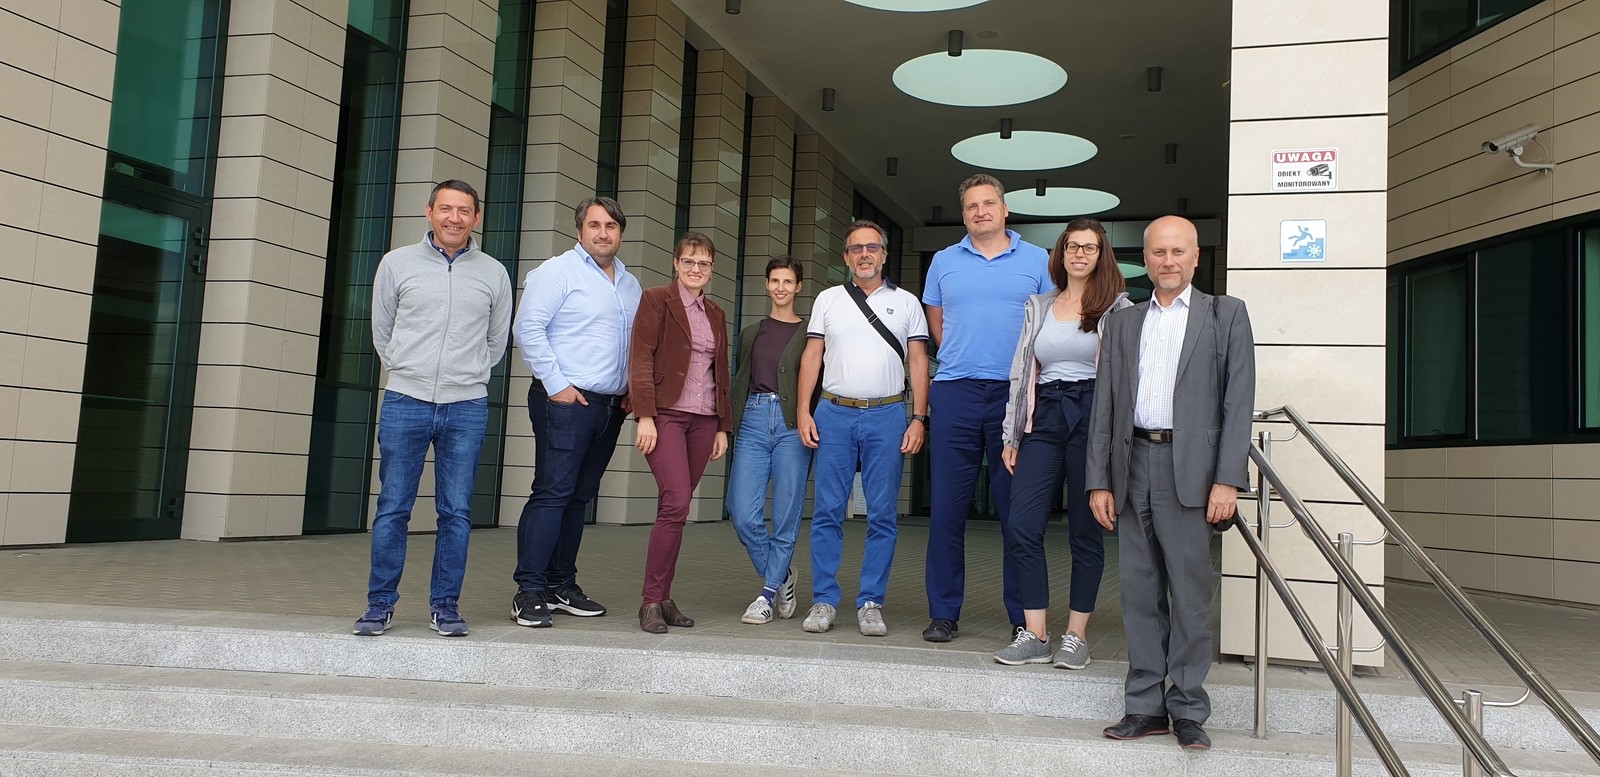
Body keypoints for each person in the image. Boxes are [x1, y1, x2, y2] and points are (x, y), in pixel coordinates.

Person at [1087, 215, 1255, 750]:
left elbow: (1238, 402)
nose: (1168, 261)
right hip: (1133, 464)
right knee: (1139, 593)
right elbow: (1105, 407)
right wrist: (1098, 481)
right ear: (1146, 259)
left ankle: (1187, 707)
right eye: (1158, 252)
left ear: (1196, 257)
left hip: (1193, 472)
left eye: (1178, 251)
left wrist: (1227, 480)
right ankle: (1144, 706)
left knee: (1189, 594)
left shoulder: (1225, 314)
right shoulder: (1123, 323)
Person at [354, 179, 513, 638]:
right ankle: (379, 605)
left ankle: (445, 606)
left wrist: (468, 374)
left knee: (456, 512)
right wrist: (408, 369)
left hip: (466, 406)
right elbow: (383, 330)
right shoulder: (396, 263)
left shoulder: (493, 273)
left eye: (464, 211)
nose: (454, 218)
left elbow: (496, 341)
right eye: (445, 208)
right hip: (406, 400)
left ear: (476, 218)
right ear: (429, 212)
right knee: (392, 508)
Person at [992, 219, 1130, 667]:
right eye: (1072, 246)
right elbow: (1020, 372)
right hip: (1044, 416)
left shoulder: (1118, 308)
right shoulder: (1040, 305)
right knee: (1022, 525)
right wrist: (1012, 433)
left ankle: (1076, 635)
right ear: (1061, 253)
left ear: (1101, 255)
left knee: (1085, 532)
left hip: (1094, 418)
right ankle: (1035, 634)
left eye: (1089, 247)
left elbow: (1126, 379)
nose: (1080, 254)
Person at [920, 174, 1051, 644]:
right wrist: (964, 355)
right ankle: (943, 613)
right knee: (946, 510)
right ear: (964, 214)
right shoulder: (943, 261)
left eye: (989, 203)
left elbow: (1051, 321)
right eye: (972, 205)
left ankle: (1023, 615)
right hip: (954, 391)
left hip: (1015, 394)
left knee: (1017, 512)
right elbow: (937, 322)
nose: (981, 211)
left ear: (1005, 209)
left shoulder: (1038, 260)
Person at [509, 196, 642, 628]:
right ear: (579, 230)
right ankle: (529, 591)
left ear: (621, 233)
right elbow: (527, 328)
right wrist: (557, 385)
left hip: (609, 407)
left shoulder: (630, 285)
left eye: (611, 226)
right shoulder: (557, 271)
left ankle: (560, 585)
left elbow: (634, 345)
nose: (603, 233)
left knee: (579, 497)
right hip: (566, 401)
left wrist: (632, 390)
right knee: (553, 493)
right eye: (595, 225)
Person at [797, 220, 930, 637]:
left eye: (872, 247)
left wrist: (919, 417)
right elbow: (812, 356)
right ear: (846, 257)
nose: (865, 254)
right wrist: (803, 410)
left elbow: (919, 361)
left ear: (884, 255)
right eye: (856, 248)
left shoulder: (907, 302)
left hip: (887, 415)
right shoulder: (828, 299)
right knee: (827, 511)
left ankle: (871, 602)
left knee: (883, 514)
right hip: (833, 412)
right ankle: (824, 599)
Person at [628, 233, 733, 634]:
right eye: (688, 261)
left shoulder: (716, 313)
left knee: (677, 508)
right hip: (667, 416)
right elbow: (641, 357)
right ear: (676, 263)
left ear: (712, 269)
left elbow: (721, 372)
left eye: (703, 263)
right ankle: (651, 601)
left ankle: (665, 597)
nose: (695, 269)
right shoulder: (657, 300)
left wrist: (723, 425)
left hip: (704, 421)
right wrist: (645, 415)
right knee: (676, 502)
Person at [727, 256, 813, 625]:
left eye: (788, 281)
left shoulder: (811, 333)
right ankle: (782, 577)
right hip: (753, 420)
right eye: (775, 281)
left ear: (798, 287)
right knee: (742, 513)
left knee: (785, 515)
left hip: (793, 425)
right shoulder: (751, 333)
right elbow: (739, 379)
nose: (781, 288)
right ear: (766, 284)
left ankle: (765, 595)